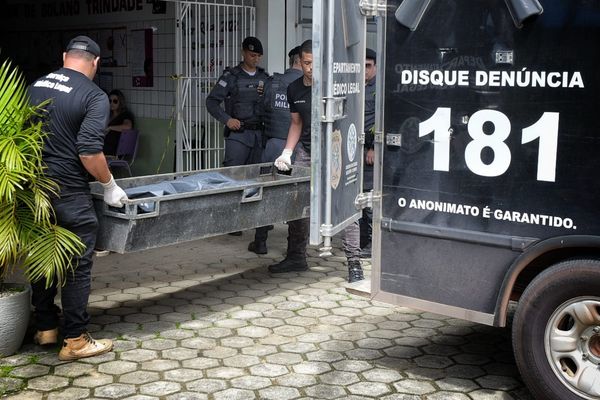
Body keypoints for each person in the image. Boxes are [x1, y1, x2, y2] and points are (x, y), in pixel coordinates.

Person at [28, 35, 128, 361]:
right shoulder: (92, 95)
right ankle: (75, 339)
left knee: (44, 258)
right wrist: (110, 184)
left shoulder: (36, 86)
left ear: (64, 56)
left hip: (35, 192)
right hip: (70, 193)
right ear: (96, 63)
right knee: (76, 265)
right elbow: (89, 152)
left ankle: (45, 327)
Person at [270, 40, 364, 283]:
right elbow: (296, 123)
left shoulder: (335, 86)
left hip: (335, 148)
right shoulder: (294, 89)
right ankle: (295, 257)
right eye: (307, 63)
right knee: (297, 200)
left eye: (316, 63)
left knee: (345, 204)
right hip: (307, 150)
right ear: (300, 62)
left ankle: (354, 262)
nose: (312, 68)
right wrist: (287, 152)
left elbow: (349, 119)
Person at [206, 36, 269, 236]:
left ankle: (256, 223)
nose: (255, 59)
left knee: (258, 179)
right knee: (233, 179)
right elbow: (211, 102)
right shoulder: (231, 77)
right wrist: (227, 120)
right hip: (238, 135)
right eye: (252, 55)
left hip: (259, 135)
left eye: (258, 56)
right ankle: (231, 223)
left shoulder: (265, 78)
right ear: (243, 52)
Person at [248, 45, 303, 255]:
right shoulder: (308, 85)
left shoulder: (272, 83)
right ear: (300, 61)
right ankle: (294, 250)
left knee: (265, 193)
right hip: (296, 148)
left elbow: (260, 111)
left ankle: (260, 241)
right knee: (296, 196)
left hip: (271, 146)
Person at [360, 48, 377, 258]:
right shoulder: (355, 86)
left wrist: (373, 147)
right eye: (361, 65)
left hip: (371, 151)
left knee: (371, 200)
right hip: (355, 149)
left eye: (368, 66)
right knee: (360, 198)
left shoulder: (378, 88)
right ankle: (362, 241)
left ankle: (374, 245)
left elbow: (380, 119)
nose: (364, 70)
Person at [103, 89, 134, 156]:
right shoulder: (108, 115)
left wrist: (110, 128)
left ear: (120, 102)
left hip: (115, 149)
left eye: (115, 101)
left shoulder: (125, 115)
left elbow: (128, 127)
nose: (112, 103)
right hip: (104, 145)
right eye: (110, 101)